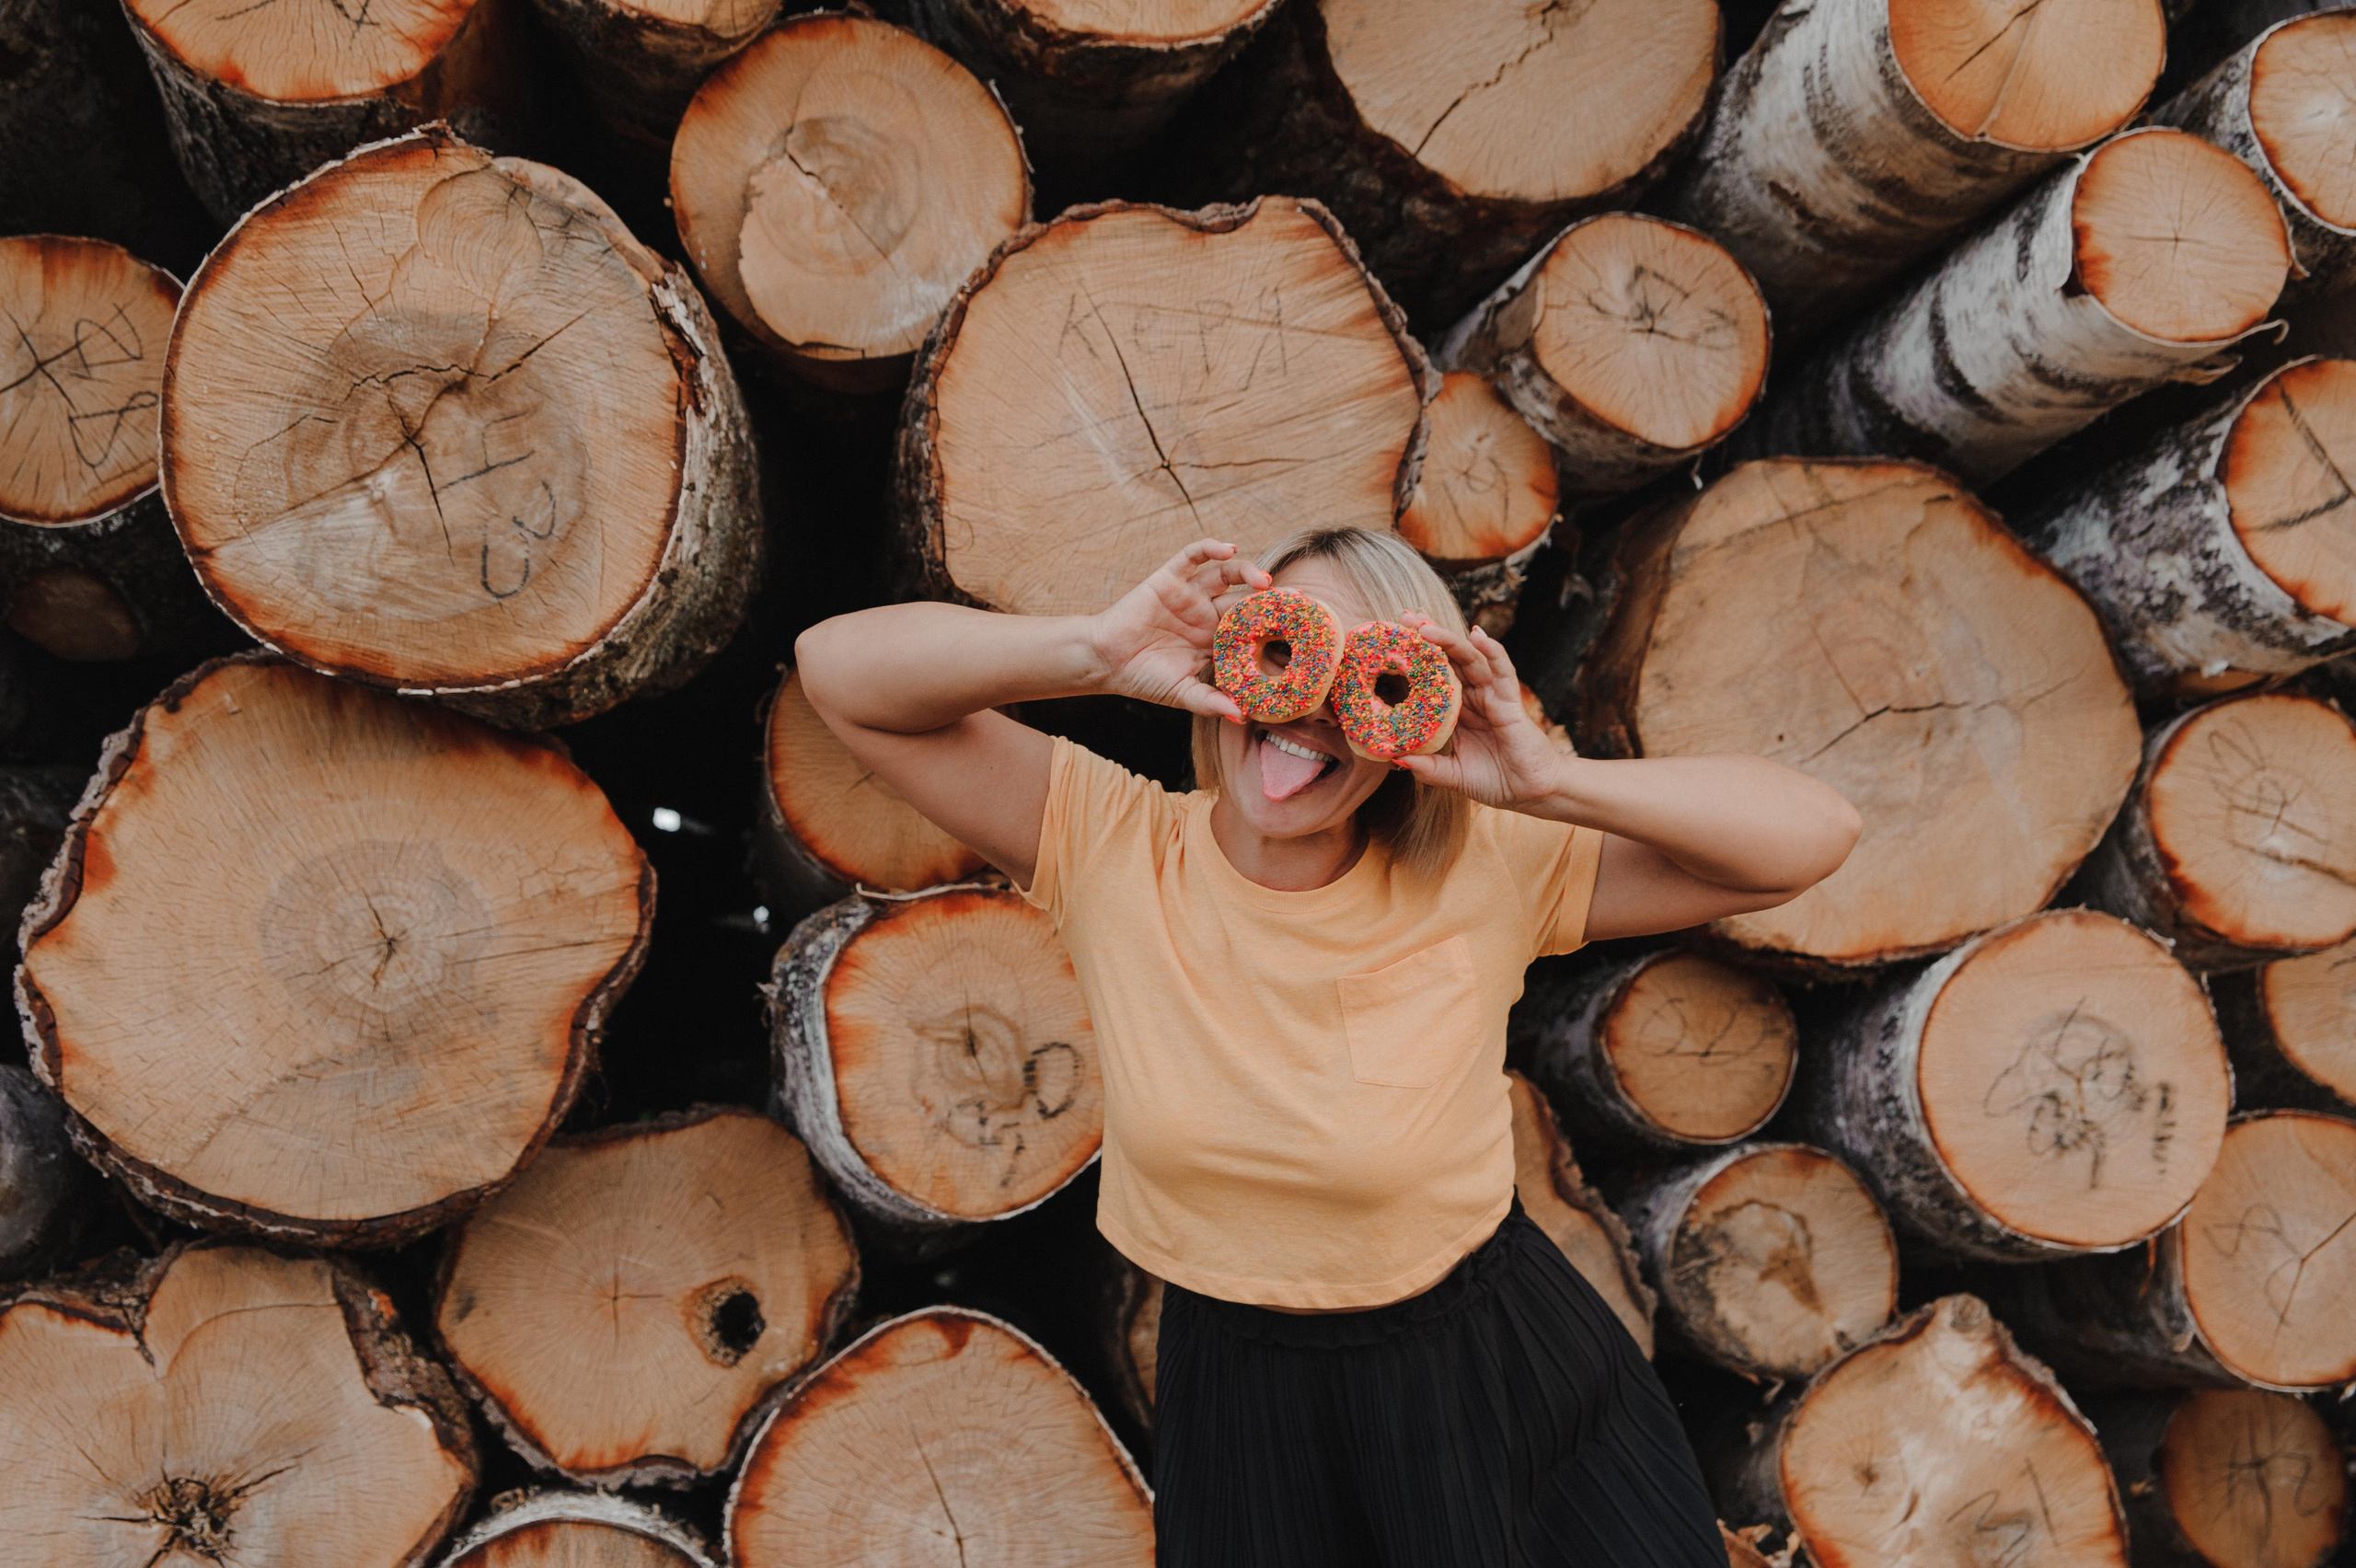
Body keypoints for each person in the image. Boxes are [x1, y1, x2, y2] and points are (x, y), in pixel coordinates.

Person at [795, 527, 1862, 1567]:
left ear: (1413, 723)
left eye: (1373, 679)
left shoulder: (1490, 868)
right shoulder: (1107, 842)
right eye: (1292, 650)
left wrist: (1549, 783)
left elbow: (1811, 838)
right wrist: (1096, 652)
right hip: (1241, 1393)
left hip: (1492, 1372)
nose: (1315, 708)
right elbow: (838, 672)